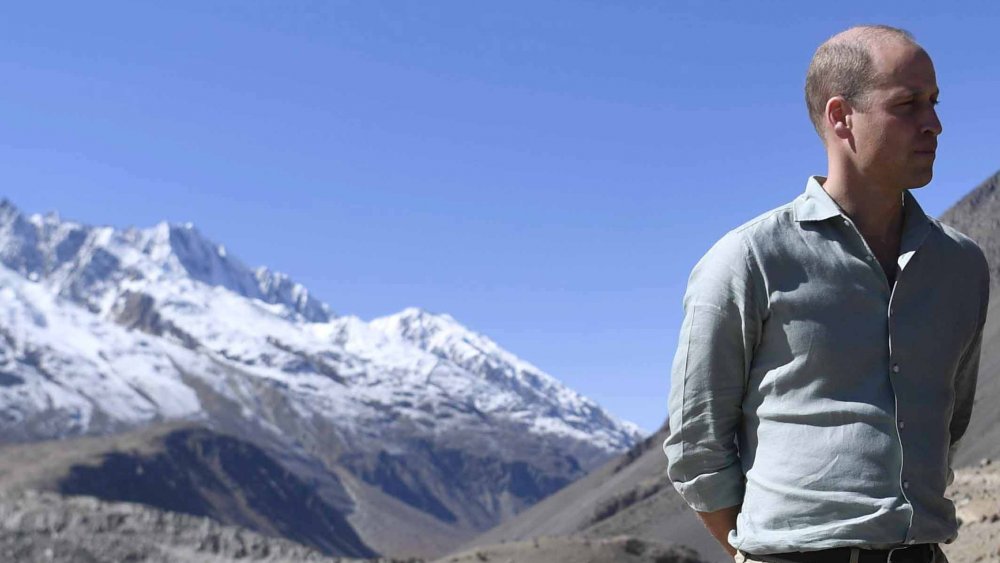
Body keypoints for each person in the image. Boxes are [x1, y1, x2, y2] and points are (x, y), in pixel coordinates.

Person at [663, 25, 990, 563]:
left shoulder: (961, 267)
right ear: (841, 117)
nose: (934, 123)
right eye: (907, 104)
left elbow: (949, 420)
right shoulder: (749, 259)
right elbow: (697, 448)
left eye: (933, 102)